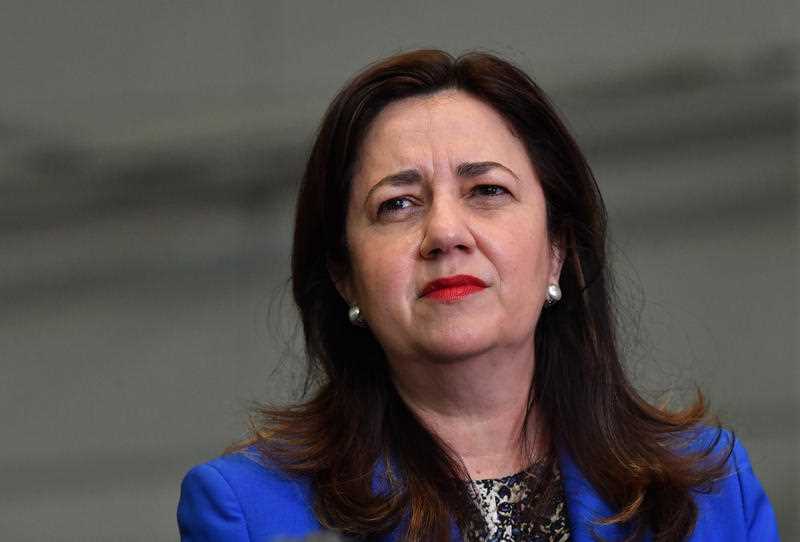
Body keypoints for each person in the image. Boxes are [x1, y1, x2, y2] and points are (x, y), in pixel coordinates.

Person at [177, 50, 779, 541]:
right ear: (344, 276)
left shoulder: (710, 488)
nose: (444, 233)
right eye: (397, 204)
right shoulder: (250, 513)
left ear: (557, 250)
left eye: (487, 190)